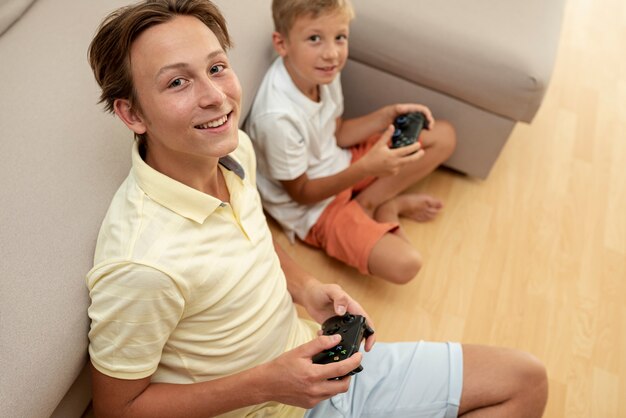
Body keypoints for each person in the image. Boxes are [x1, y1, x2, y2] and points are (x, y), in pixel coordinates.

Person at [85, 1, 548, 417]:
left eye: (217, 67)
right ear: (132, 114)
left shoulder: (232, 150)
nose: (216, 96)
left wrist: (307, 289)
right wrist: (267, 384)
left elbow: (253, 238)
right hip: (266, 400)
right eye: (178, 81)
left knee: (525, 380)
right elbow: (116, 409)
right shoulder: (140, 265)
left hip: (314, 364)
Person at [244, 0, 457, 285]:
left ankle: (370, 202)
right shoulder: (277, 119)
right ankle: (388, 207)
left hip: (340, 160)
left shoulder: (322, 71)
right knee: (406, 264)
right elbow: (302, 194)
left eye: (340, 37)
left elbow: (339, 132)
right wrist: (367, 167)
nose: (332, 53)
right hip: (316, 210)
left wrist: (385, 116)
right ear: (282, 44)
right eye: (314, 39)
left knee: (443, 136)